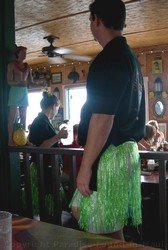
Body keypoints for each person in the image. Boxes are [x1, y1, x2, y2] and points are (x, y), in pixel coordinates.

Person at [70, 0, 145, 240]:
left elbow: (103, 119)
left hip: (110, 156)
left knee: (99, 229)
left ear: (97, 20)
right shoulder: (128, 57)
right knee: (103, 222)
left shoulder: (110, 58)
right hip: (123, 154)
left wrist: (85, 167)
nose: (90, 25)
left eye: (90, 19)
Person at [28, 91, 68, 216]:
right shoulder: (41, 122)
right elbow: (41, 147)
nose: (57, 110)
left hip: (47, 167)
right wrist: (59, 136)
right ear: (53, 106)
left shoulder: (42, 121)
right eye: (57, 107)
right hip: (44, 168)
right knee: (49, 199)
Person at [7, 46, 33, 146]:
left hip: (24, 91)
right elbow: (8, 81)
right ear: (18, 53)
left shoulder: (28, 66)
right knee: (11, 117)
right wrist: (17, 82)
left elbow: (31, 82)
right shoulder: (11, 65)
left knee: (24, 117)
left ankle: (24, 139)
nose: (25, 54)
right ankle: (10, 140)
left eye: (25, 53)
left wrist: (42, 83)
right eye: (23, 52)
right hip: (15, 91)